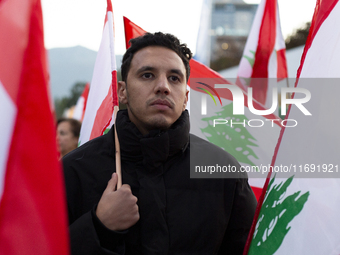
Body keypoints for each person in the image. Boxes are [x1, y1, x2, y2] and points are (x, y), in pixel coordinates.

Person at [63, 32, 257, 255]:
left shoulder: (224, 172)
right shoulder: (74, 170)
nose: (163, 86)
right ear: (122, 92)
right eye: (147, 75)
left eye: (174, 78)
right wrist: (97, 226)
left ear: (185, 96)